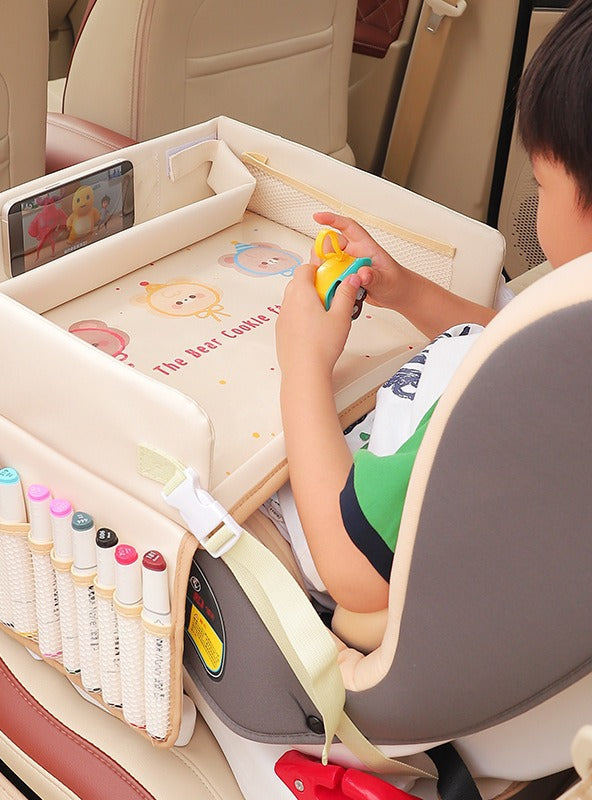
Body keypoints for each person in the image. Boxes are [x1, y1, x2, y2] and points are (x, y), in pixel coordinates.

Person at [268, 0, 592, 615]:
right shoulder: (568, 343)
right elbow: (521, 341)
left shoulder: (508, 402)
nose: (538, 198)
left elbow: (353, 569)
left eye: (543, 185)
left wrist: (302, 364)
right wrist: (408, 292)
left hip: (356, 567)